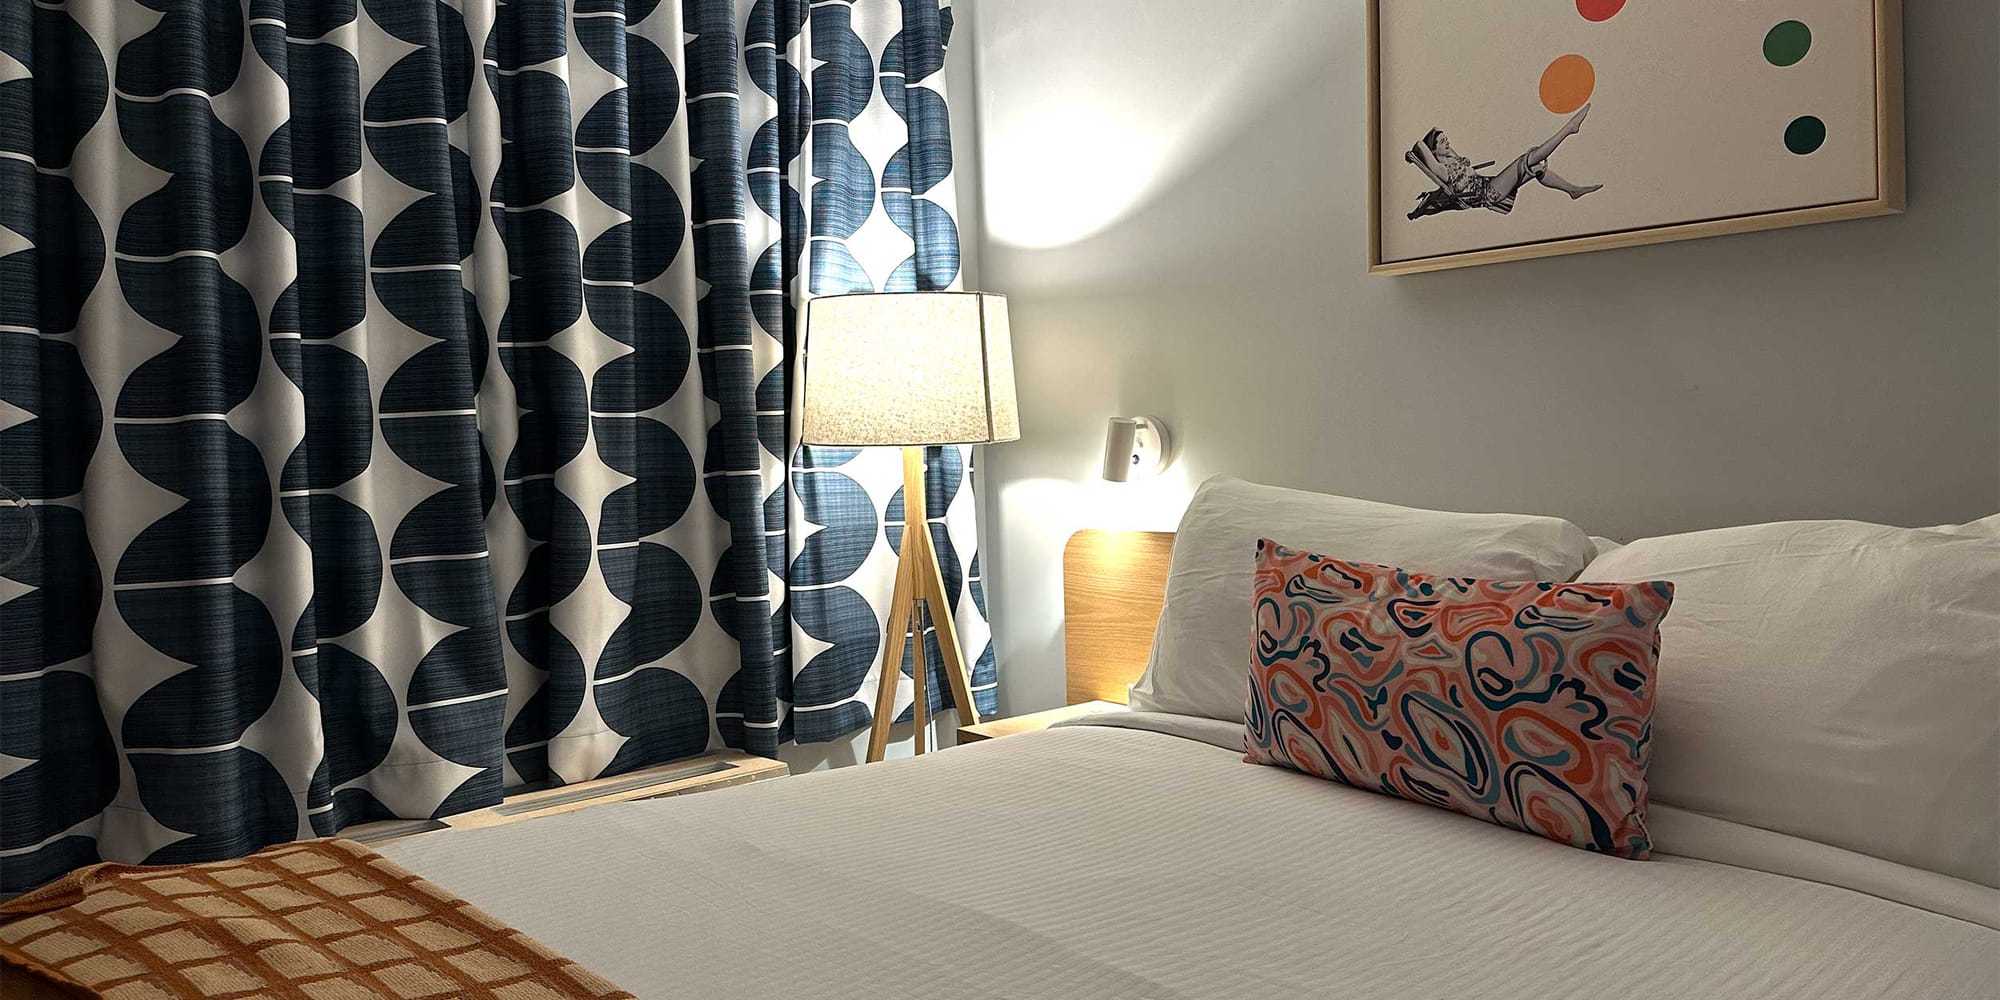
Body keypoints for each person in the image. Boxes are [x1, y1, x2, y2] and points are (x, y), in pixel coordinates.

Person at [1406, 104, 1601, 220]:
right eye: (1442, 142)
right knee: (1526, 159)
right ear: (1433, 151)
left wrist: (1437, 134)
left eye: (1446, 139)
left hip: (1489, 184)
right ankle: (1569, 129)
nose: (1447, 143)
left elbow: (1441, 143)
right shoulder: (1441, 169)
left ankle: (1573, 191)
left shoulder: (1453, 159)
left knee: (1537, 167)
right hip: (1488, 193)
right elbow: (1422, 146)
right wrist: (1415, 153)